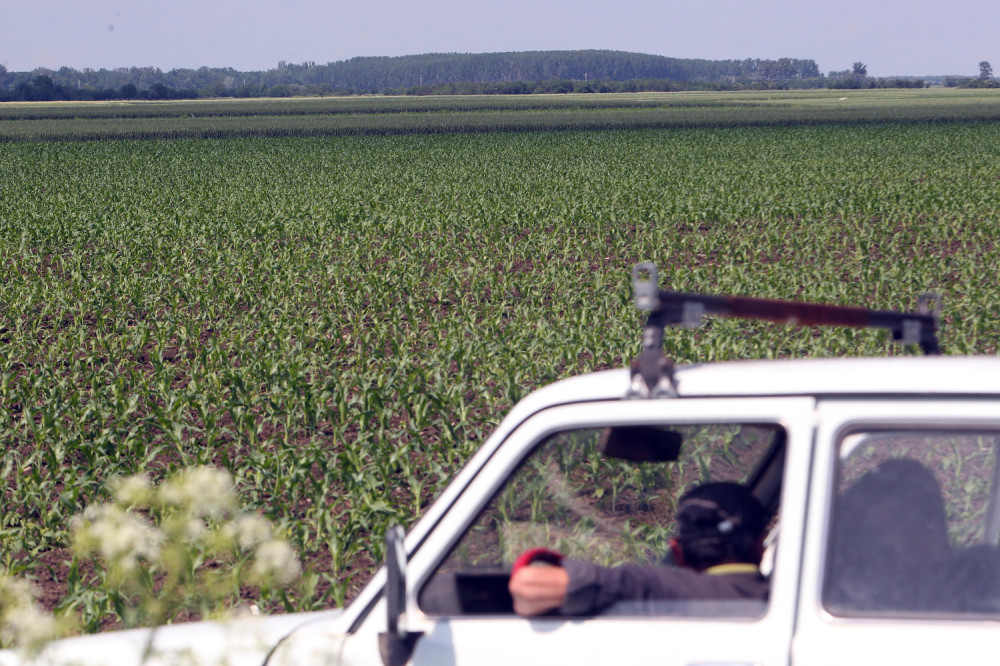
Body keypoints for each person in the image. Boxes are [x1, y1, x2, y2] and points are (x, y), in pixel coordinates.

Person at [508, 481, 770, 616]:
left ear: (676, 551)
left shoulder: (654, 588)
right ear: (760, 542)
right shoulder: (784, 595)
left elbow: (530, 586)